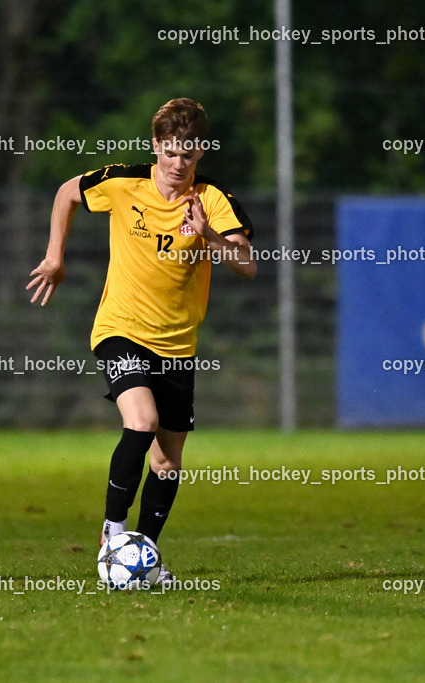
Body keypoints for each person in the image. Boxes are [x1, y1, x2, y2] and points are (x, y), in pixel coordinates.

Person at [26, 98, 257, 583]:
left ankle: (143, 556)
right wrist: (55, 257)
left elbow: (247, 263)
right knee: (142, 420)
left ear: (200, 153)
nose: (178, 165)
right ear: (156, 147)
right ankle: (112, 535)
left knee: (168, 463)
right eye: (171, 153)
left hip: (178, 347)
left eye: (189, 155)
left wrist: (209, 236)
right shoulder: (124, 182)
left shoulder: (212, 199)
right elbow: (67, 192)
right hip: (121, 330)